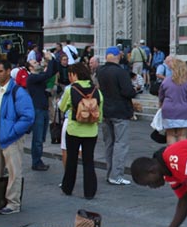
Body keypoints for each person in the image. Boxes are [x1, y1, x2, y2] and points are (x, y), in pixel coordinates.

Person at [0, 60, 35, 215]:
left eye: (0, 71)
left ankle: (13, 203)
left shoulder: (18, 91)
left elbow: (28, 117)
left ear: (8, 71)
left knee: (14, 171)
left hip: (10, 136)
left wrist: (13, 132)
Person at [60, 63, 103, 199]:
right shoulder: (96, 90)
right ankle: (89, 192)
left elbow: (62, 107)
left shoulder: (71, 89)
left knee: (72, 159)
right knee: (88, 161)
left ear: (74, 74)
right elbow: (100, 115)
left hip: (74, 129)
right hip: (91, 131)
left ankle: (67, 187)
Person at [97, 46, 135, 186]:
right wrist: (134, 90)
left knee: (109, 143)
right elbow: (127, 91)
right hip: (120, 112)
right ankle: (116, 175)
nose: (121, 56)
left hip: (105, 111)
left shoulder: (100, 71)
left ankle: (110, 174)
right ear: (114, 55)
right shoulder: (120, 72)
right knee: (121, 143)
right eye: (119, 54)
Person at [26, 49, 58, 171]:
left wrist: (52, 60)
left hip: (43, 109)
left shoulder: (38, 76)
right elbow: (48, 74)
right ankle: (36, 161)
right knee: (38, 138)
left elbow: (52, 71)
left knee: (42, 137)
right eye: (34, 63)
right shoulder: (32, 78)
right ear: (30, 68)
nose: (37, 63)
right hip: (37, 109)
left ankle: (38, 159)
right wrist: (49, 60)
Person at [159, 57, 187, 144]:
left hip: (168, 110)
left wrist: (161, 105)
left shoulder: (166, 81)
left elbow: (161, 95)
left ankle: (171, 155)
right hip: (183, 110)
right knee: (182, 135)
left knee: (170, 134)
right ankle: (180, 154)